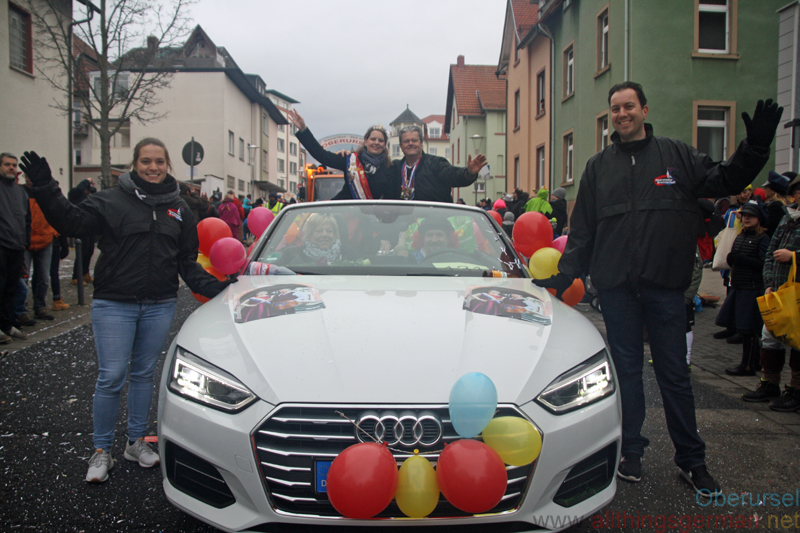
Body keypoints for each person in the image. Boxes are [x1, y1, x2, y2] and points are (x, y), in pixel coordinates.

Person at [533, 81, 782, 498]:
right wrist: (566, 273)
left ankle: (691, 460)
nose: (622, 113)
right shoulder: (597, 167)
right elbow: (584, 232)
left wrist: (755, 148)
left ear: (644, 110)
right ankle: (631, 452)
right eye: (615, 108)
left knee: (674, 376)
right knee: (626, 375)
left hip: (665, 289)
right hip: (616, 292)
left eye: (629, 106)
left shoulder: (677, 156)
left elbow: (725, 178)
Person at [19, 138, 233, 483]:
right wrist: (46, 187)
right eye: (146, 161)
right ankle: (102, 450)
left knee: (143, 374)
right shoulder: (110, 200)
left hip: (159, 303)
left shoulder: (179, 208)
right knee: (112, 376)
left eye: (159, 161)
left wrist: (219, 286)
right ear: (135, 164)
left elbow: (186, 263)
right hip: (114, 304)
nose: (153, 167)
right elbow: (71, 221)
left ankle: (135, 442)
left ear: (168, 166)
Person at [742, 174, 800, 410]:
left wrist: (794, 256)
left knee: (798, 341)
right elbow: (770, 253)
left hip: (797, 293)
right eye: (797, 191)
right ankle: (770, 383)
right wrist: (769, 284)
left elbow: (781, 253)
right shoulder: (788, 218)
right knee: (770, 337)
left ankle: (796, 389)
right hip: (778, 292)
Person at [288, 109, 400, 200]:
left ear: (385, 144)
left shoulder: (391, 168)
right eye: (373, 139)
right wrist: (303, 129)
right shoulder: (350, 160)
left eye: (380, 140)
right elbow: (321, 155)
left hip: (373, 221)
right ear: (366, 141)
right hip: (347, 216)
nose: (376, 143)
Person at [715, 202, 770, 376]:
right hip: (739, 285)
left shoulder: (763, 239)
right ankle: (754, 362)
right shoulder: (741, 235)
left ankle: (748, 365)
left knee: (749, 329)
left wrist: (743, 260)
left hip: (752, 287)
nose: (746, 218)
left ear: (758, 219)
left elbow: (764, 264)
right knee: (743, 327)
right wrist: (732, 259)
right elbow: (736, 259)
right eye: (744, 215)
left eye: (750, 216)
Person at [395, 125, 486, 202]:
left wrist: (468, 173)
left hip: (436, 220)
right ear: (401, 146)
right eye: (406, 141)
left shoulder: (436, 164)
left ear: (421, 143)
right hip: (404, 220)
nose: (410, 143)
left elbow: (454, 176)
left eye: (414, 140)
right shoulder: (394, 168)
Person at [0, 153, 30, 344]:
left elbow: (27, 219)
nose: (11, 167)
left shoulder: (20, 192)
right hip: (1, 246)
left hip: (17, 247)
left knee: (11, 289)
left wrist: (25, 240)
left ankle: (7, 324)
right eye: (7, 164)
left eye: (14, 165)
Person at [23, 173, 57, 321]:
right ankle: (21, 309)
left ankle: (40, 306)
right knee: (23, 278)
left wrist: (55, 235)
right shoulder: (20, 192)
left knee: (43, 277)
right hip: (25, 241)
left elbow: (56, 214)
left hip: (45, 239)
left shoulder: (45, 193)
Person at [278, 214, 342, 265]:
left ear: (335, 234)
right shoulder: (291, 255)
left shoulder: (346, 254)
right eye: (319, 231)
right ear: (309, 235)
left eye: (329, 231)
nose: (324, 235)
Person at [68, 177, 97, 285]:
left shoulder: (89, 196)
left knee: (89, 251)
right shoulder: (75, 194)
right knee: (82, 251)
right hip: (80, 227)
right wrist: (87, 180)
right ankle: (76, 276)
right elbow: (79, 189)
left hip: (90, 227)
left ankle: (85, 273)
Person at [762, 170, 793, 237]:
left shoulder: (775, 206)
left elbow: (767, 226)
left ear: (772, 190)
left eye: (766, 187)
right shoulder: (783, 205)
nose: (764, 190)